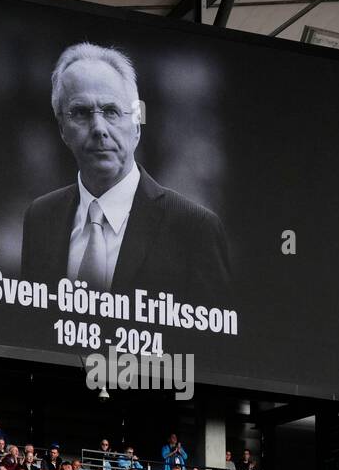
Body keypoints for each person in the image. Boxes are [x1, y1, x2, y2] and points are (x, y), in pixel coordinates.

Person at [20, 42, 231, 296]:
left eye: (110, 111)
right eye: (81, 112)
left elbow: (210, 330)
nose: (98, 128)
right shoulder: (40, 218)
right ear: (62, 129)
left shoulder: (196, 228)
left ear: (137, 124)